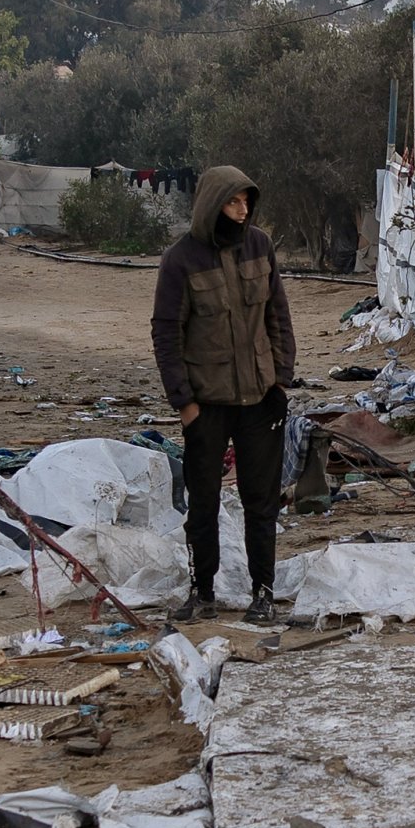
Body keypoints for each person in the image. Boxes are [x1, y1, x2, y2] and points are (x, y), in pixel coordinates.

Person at [151, 163, 296, 625]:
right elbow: (167, 334)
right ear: (213, 206)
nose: (242, 210)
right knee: (204, 503)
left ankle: (263, 593)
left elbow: (278, 315)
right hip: (207, 404)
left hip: (260, 400)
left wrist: (280, 379)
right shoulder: (180, 260)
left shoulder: (260, 247)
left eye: (247, 201)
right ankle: (203, 591)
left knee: (262, 501)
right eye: (233, 202)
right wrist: (185, 404)